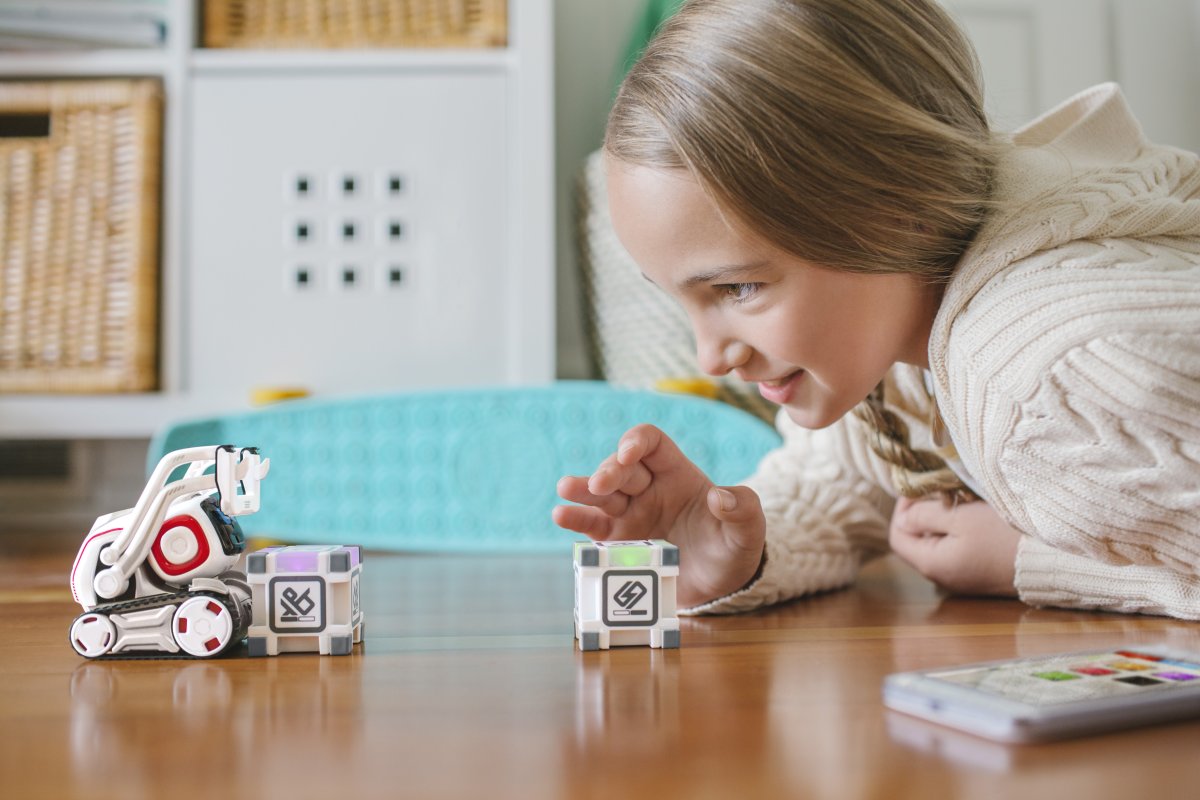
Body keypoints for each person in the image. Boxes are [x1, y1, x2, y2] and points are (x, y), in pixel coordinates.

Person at [552, 0, 1200, 619]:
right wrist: (736, 547)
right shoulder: (890, 308)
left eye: (738, 289)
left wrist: (1028, 562)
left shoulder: (1045, 379)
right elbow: (847, 477)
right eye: (681, 298)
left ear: (895, 215)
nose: (711, 357)